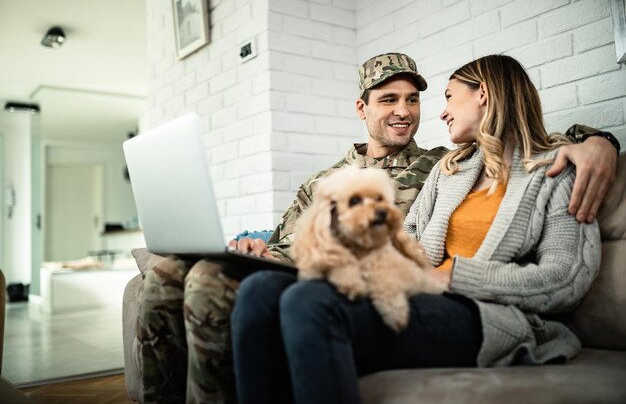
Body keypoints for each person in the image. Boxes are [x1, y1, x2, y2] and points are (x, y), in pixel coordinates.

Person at [137, 53, 619, 404]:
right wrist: (261, 246)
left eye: (427, 99)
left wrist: (598, 141)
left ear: (485, 96)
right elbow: (384, 242)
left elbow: (563, 274)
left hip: (481, 310)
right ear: (362, 108)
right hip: (397, 287)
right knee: (255, 286)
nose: (420, 111)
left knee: (294, 298)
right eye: (390, 99)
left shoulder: (535, 172)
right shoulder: (448, 171)